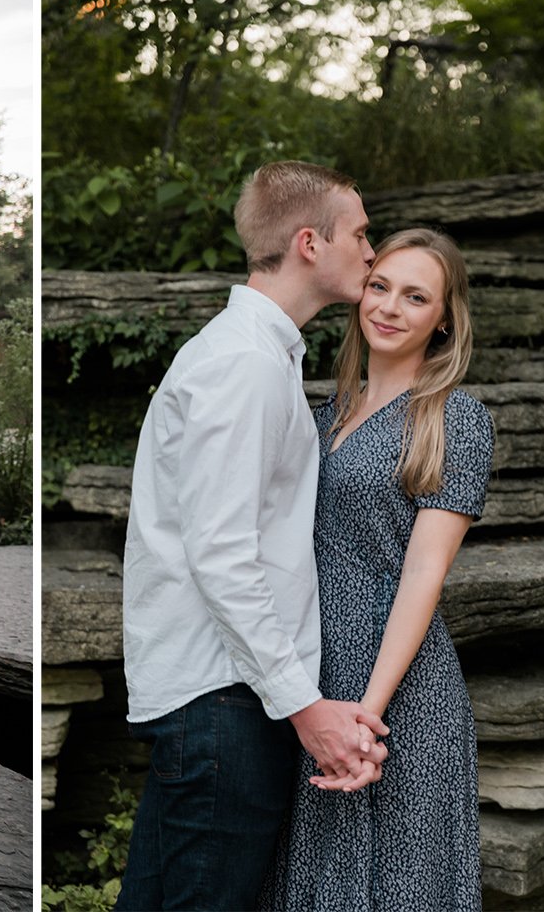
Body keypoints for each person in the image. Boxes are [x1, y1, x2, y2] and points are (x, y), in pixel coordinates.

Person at [116, 161, 391, 911]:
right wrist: (303, 706)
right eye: (360, 234)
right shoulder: (242, 364)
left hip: (224, 699)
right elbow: (222, 556)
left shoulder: (258, 354)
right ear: (309, 242)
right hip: (225, 702)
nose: (372, 253)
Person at [267, 229, 492, 909]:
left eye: (415, 296)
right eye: (380, 286)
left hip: (398, 689)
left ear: (443, 317)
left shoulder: (455, 418)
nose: (389, 307)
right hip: (312, 679)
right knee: (311, 873)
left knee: (401, 882)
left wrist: (366, 715)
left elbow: (424, 572)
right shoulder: (318, 415)